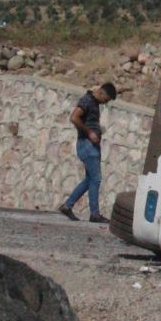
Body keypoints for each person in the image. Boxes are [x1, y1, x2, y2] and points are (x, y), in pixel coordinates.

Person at [58, 82, 117, 223]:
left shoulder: (94, 100)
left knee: (89, 180)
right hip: (87, 145)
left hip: (90, 145)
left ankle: (67, 206)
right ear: (101, 93)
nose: (105, 103)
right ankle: (95, 214)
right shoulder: (87, 101)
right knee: (96, 179)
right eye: (106, 100)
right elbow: (74, 117)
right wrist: (90, 132)